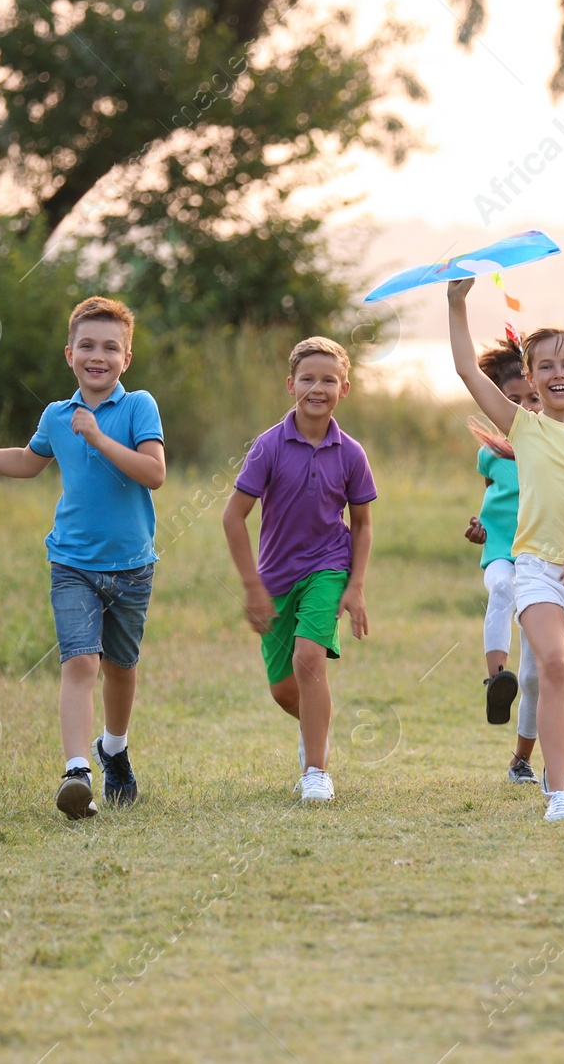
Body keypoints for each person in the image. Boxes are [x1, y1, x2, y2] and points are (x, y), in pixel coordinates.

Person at [0, 296, 165, 820]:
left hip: (130, 567)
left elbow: (153, 473)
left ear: (126, 357)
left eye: (110, 347)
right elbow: (26, 462)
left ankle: (114, 750)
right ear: (69, 354)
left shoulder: (138, 406)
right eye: (87, 346)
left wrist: (99, 437)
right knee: (81, 662)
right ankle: (77, 771)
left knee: (121, 670)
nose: (97, 356)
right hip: (72, 562)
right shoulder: (57, 416)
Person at [448, 278, 564, 823]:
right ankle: (559, 793)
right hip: (536, 568)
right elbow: (468, 372)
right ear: (530, 378)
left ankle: (548, 761)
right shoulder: (522, 427)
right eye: (544, 366)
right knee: (551, 666)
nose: (557, 374)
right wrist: (457, 303)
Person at [222, 337, 376, 802]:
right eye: (308, 378)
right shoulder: (269, 447)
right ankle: (316, 733)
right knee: (284, 690)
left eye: (329, 380)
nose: (318, 387)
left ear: (344, 388)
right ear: (291, 384)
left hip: (328, 567)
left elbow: (363, 523)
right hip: (274, 579)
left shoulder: (351, 453)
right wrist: (252, 587)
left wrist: (355, 587)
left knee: (309, 659)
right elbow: (233, 516)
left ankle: (316, 773)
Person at [462, 335, 545, 784]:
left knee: (533, 673)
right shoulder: (490, 454)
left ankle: (522, 760)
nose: (525, 407)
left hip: (542, 558)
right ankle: (496, 678)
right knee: (501, 588)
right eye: (513, 401)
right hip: (500, 550)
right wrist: (479, 530)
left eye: (532, 398)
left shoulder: (558, 447)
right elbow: (493, 502)